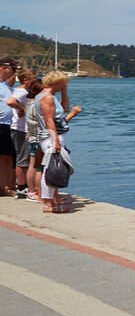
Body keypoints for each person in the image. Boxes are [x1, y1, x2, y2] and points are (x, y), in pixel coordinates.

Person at [36, 70, 75, 213]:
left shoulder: (50, 96)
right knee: (50, 168)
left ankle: (52, 200)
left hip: (53, 136)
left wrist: (64, 91)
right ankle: (47, 203)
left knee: (54, 167)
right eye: (62, 83)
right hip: (50, 137)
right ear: (55, 82)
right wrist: (55, 140)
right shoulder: (46, 97)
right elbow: (48, 120)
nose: (64, 85)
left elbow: (64, 108)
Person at [5, 71, 35, 198]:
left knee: (24, 158)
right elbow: (10, 102)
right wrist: (23, 109)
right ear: (26, 81)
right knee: (22, 159)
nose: (34, 83)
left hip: (21, 129)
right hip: (20, 129)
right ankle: (22, 188)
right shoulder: (21, 92)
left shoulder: (20, 91)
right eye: (33, 80)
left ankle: (24, 186)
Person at [22, 77, 43, 200]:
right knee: (38, 167)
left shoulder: (29, 103)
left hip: (32, 137)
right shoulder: (36, 104)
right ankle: (36, 192)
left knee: (32, 164)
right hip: (37, 138)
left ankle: (31, 190)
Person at [0, 58, 16, 196]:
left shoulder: (4, 84)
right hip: (1, 125)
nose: (14, 72)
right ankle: (4, 187)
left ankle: (4, 186)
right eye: (13, 69)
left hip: (7, 125)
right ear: (3, 67)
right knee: (5, 157)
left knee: (7, 157)